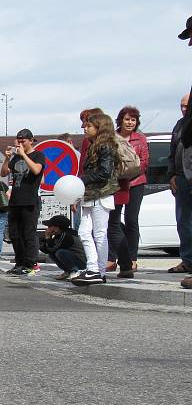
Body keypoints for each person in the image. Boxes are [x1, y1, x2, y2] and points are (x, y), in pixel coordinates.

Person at [72, 113, 120, 286]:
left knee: (99, 233)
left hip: (101, 194)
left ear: (99, 127)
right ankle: (94, 269)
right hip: (92, 195)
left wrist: (81, 180)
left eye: (89, 126)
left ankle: (96, 270)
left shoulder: (105, 146)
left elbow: (104, 172)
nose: (85, 128)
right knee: (86, 232)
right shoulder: (95, 146)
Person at [106, 106, 149, 278]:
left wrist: (129, 176)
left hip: (136, 182)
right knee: (113, 221)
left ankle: (132, 258)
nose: (130, 122)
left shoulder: (141, 139)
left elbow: (144, 163)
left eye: (133, 120)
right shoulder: (111, 137)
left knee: (131, 220)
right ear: (120, 120)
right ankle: (112, 257)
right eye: (127, 119)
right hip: (116, 184)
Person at [0, 128, 45, 276]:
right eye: (18, 142)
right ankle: (19, 262)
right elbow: (4, 173)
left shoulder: (38, 155)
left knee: (29, 233)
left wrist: (24, 155)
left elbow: (37, 170)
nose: (20, 144)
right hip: (15, 199)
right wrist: (7, 158)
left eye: (23, 142)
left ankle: (30, 263)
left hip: (30, 200)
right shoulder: (16, 158)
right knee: (15, 234)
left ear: (31, 141)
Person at [168, 92, 192, 285]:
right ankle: (187, 261)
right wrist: (172, 175)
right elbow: (172, 152)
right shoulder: (179, 125)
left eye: (187, 105)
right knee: (183, 222)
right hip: (181, 177)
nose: (184, 109)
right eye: (182, 106)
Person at [39, 215, 86, 280]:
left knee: (60, 252)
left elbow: (51, 248)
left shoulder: (66, 235)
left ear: (57, 227)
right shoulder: (59, 235)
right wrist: (45, 239)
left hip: (82, 262)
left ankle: (74, 271)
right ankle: (67, 271)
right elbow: (47, 250)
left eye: (50, 226)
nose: (48, 229)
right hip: (75, 259)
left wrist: (48, 237)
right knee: (52, 254)